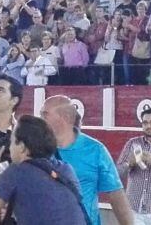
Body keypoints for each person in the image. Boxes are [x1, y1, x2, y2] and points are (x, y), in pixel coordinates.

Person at [0, 115, 88, 225]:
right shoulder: (66, 169)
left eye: (11, 142)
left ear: (21, 147)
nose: (9, 148)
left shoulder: (17, 172)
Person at [41, 95, 133, 225]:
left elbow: (116, 195)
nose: (41, 119)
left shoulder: (95, 150)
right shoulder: (36, 148)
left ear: (65, 117)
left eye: (45, 114)